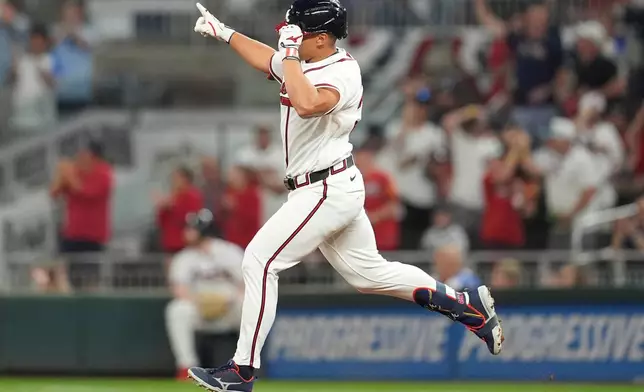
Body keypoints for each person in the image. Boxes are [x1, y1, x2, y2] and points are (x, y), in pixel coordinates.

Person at [188, 1, 503, 390]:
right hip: (328, 184)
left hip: (324, 187)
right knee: (370, 275)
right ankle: (464, 305)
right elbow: (268, 60)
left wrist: (288, 55)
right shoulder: (301, 58)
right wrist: (226, 33)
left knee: (259, 261)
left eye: (297, 32)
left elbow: (307, 103)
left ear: (322, 39)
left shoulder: (343, 71)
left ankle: (242, 371)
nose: (287, 36)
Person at [166, 209, 244, 381]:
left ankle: (246, 365)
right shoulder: (184, 257)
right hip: (199, 309)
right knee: (177, 310)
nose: (186, 232)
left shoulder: (229, 252)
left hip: (229, 309)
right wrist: (200, 302)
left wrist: (227, 300)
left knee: (248, 306)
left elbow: (247, 284)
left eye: (191, 228)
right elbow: (179, 289)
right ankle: (186, 367)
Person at [474, 0, 564, 142]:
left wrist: (548, 89)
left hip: (546, 107)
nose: (537, 19)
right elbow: (492, 25)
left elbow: (561, 72)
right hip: (521, 105)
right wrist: (479, 4)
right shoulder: (518, 37)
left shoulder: (553, 39)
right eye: (533, 15)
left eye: (541, 15)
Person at [379, 86, 446, 249]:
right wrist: (406, 127)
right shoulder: (395, 128)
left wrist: (428, 163)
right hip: (400, 196)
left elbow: (439, 168)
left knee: (419, 247)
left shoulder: (434, 133)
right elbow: (395, 155)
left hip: (423, 198)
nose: (418, 110)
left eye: (422, 106)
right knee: (399, 247)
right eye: (415, 105)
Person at [49, 140, 113, 289]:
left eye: (84, 154)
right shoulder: (76, 171)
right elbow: (54, 193)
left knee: (89, 278)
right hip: (72, 233)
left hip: (92, 236)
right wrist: (61, 174)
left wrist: (69, 175)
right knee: (66, 275)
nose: (79, 157)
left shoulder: (104, 173)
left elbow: (86, 193)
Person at [9, 23, 57, 133]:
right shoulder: (22, 60)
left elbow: (54, 84)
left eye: (39, 41)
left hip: (43, 120)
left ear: (45, 42)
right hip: (21, 119)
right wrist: (13, 70)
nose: (35, 44)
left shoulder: (51, 59)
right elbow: (11, 80)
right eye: (33, 41)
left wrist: (44, 74)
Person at [355, 145, 400, 251]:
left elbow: (394, 205)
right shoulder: (353, 179)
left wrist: (374, 216)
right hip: (361, 235)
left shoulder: (383, 178)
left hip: (382, 234)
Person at [155, 166, 204, 255]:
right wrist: (162, 207)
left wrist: (173, 206)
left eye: (176, 178)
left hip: (185, 242)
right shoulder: (171, 196)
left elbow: (192, 218)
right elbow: (161, 222)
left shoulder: (193, 195)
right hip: (170, 242)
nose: (173, 181)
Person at [222, 165, 262, 249]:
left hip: (248, 240)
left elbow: (253, 218)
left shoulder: (252, 193)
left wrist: (236, 207)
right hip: (230, 240)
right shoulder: (229, 191)